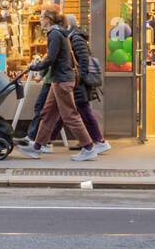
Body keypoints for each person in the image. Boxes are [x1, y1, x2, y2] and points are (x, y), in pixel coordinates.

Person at [16, 6, 97, 162]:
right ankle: (37, 147)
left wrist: (35, 67)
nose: (40, 19)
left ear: (48, 19)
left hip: (62, 80)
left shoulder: (54, 33)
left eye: (41, 16)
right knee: (48, 114)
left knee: (70, 115)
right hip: (59, 80)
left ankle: (88, 147)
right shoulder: (59, 32)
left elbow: (51, 58)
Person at [47, 15, 110, 154]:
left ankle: (99, 141)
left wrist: (78, 78)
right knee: (67, 112)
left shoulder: (75, 38)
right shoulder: (70, 36)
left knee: (80, 110)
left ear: (68, 24)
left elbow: (83, 59)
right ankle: (47, 140)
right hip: (74, 79)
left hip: (77, 81)